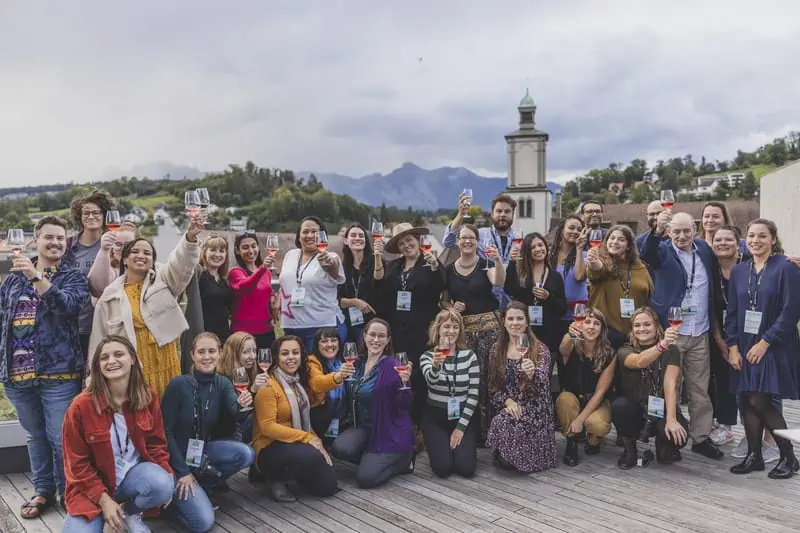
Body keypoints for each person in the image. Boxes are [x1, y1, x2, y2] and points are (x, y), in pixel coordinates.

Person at [0, 216, 89, 519]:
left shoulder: (73, 277)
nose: (55, 243)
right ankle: (43, 490)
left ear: (66, 243)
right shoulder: (12, 279)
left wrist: (37, 276)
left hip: (59, 374)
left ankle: (69, 491)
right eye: (49, 237)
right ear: (35, 240)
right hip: (17, 375)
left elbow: (70, 307)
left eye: (61, 238)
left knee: (59, 437)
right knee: (35, 436)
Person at [62, 336, 173, 533]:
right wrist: (104, 500)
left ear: (132, 359)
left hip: (130, 478)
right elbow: (76, 465)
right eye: (104, 358)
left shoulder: (147, 397)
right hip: (91, 490)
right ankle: (108, 515)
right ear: (98, 366)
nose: (111, 361)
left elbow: (157, 445)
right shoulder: (80, 406)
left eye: (118, 354)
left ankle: (128, 514)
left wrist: (168, 476)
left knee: (162, 483)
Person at [89, 214, 203, 397]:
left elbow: (181, 265)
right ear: (125, 259)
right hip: (133, 370)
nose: (141, 255)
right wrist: (93, 382)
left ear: (152, 261)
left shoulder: (164, 280)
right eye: (135, 252)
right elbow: (98, 342)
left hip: (167, 364)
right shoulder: (109, 297)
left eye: (147, 253)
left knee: (168, 416)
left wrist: (189, 238)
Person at [641, 210, 724, 459]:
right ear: (669, 232)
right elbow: (646, 253)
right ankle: (669, 439)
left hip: (700, 330)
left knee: (700, 389)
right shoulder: (662, 249)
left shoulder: (703, 249)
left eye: (686, 230)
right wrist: (656, 231)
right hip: (672, 332)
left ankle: (701, 437)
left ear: (695, 229)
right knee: (671, 388)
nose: (681, 235)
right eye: (676, 231)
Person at [726, 219, 800, 479]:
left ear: (772, 239)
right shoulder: (739, 270)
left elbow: (791, 312)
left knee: (760, 399)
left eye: (762, 236)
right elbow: (732, 313)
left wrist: (765, 341)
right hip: (745, 344)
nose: (756, 240)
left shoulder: (786, 268)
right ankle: (755, 455)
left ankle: (789, 457)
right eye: (751, 235)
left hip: (773, 344)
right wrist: (732, 346)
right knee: (746, 397)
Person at [160, 333, 256, 532]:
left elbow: (236, 412)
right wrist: (183, 472)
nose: (207, 357)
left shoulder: (222, 383)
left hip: (201, 453)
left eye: (212, 351)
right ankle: (173, 501)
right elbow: (165, 432)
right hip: (175, 459)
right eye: (201, 352)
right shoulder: (178, 384)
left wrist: (244, 404)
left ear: (220, 354)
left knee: (245, 453)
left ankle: (204, 485)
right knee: (203, 523)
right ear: (192, 355)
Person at [252, 335, 351, 502]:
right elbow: (267, 427)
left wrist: (317, 441)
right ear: (276, 357)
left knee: (327, 487)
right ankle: (275, 477)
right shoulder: (267, 385)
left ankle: (297, 472)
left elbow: (304, 418)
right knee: (311, 457)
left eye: (295, 352)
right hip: (269, 446)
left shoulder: (296, 382)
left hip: (293, 442)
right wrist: (308, 438)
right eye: (285, 353)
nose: (291, 357)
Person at [331, 319, 415, 488]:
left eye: (381, 336)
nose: (376, 340)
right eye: (372, 335)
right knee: (340, 448)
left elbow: (405, 405)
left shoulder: (394, 366)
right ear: (364, 336)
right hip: (365, 427)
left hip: (388, 430)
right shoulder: (357, 363)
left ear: (388, 340)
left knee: (366, 479)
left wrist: (405, 384)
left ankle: (405, 460)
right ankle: (372, 458)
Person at [374, 222, 445, 425]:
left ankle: (419, 425)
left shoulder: (430, 262)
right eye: (401, 243)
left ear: (418, 240)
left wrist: (433, 265)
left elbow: (442, 284)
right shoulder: (394, 267)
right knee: (399, 373)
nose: (406, 245)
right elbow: (379, 286)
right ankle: (401, 419)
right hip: (398, 331)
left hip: (422, 330)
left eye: (409, 240)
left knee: (420, 375)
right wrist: (377, 256)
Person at [442, 224, 504, 442]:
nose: (467, 241)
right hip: (464, 332)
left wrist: (497, 260)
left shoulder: (486, 262)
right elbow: (442, 299)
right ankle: (472, 431)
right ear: (457, 241)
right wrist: (450, 307)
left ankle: (493, 431)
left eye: (471, 238)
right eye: (463, 237)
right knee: (469, 380)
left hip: (490, 330)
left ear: (477, 241)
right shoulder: (449, 269)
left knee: (491, 379)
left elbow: (498, 281)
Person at [612, 307, 689, 468]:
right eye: (637, 325)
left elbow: (670, 385)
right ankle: (629, 450)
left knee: (679, 434)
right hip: (635, 409)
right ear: (632, 329)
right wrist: (663, 345)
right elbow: (639, 361)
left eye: (647, 324)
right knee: (620, 407)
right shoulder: (625, 350)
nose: (642, 329)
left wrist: (672, 419)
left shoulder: (672, 351)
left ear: (656, 326)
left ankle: (664, 446)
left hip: (660, 407)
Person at [485, 301, 556, 473]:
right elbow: (493, 388)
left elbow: (544, 387)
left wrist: (532, 375)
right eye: (510, 319)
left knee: (510, 461)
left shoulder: (539, 349)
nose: (515, 323)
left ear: (527, 322)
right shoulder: (496, 350)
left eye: (519, 319)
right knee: (502, 423)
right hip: (510, 408)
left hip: (534, 409)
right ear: (504, 322)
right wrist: (508, 402)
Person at [419, 309, 480, 478]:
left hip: (462, 416)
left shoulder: (469, 356)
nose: (451, 331)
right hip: (436, 418)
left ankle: (457, 447)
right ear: (438, 329)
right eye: (446, 326)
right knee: (443, 469)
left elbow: (474, 394)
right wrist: (436, 366)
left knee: (466, 468)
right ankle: (440, 446)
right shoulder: (427, 356)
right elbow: (431, 382)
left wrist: (460, 428)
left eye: (455, 327)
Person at [556, 307, 616, 466]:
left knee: (599, 425)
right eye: (587, 322)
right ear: (580, 324)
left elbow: (601, 392)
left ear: (602, 328)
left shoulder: (609, 353)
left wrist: (580, 420)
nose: (591, 327)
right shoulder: (571, 344)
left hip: (596, 400)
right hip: (573, 396)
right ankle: (571, 442)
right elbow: (562, 348)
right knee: (564, 400)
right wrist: (570, 334)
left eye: (596, 323)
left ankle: (594, 440)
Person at [279, 217, 346, 352]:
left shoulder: (331, 257)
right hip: (291, 326)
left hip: (320, 328)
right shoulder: (290, 255)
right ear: (299, 236)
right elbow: (286, 284)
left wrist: (330, 267)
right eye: (305, 232)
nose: (309, 235)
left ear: (322, 236)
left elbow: (335, 272)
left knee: (317, 370)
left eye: (314, 232)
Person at [63, 189, 115, 361]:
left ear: (105, 215)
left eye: (96, 212)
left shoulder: (113, 246)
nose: (91, 216)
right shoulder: (68, 246)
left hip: (101, 323)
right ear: (79, 217)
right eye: (86, 213)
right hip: (70, 323)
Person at [442, 193, 519, 310]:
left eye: (507, 211)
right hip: (486, 306)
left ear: (513, 214)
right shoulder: (480, 235)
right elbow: (449, 241)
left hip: (512, 307)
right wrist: (461, 214)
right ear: (492, 213)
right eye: (499, 211)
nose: (503, 214)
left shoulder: (519, 242)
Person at [708, 225, 745, 448]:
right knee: (723, 379)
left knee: (749, 381)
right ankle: (725, 425)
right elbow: (710, 308)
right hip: (718, 332)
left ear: (738, 243)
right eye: (718, 240)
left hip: (747, 333)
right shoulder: (710, 270)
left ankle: (757, 429)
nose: (722, 243)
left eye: (728, 239)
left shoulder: (749, 267)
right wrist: (720, 340)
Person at [586, 225, 653, 349]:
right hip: (606, 335)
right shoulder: (603, 262)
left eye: (621, 239)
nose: (615, 242)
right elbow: (597, 269)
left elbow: (650, 295)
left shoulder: (640, 267)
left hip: (636, 334)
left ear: (628, 246)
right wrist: (593, 260)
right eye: (612, 238)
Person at [505, 232, 568, 355]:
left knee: (545, 372)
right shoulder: (521, 273)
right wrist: (512, 263)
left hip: (549, 335)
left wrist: (548, 297)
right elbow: (509, 289)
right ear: (527, 251)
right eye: (533, 247)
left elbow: (563, 308)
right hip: (525, 333)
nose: (538, 249)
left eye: (540, 245)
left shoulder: (555, 276)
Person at [215, 331, 267, 444]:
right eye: (246, 352)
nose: (252, 356)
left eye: (254, 351)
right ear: (234, 353)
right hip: (226, 434)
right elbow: (236, 415)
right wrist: (253, 390)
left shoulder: (250, 372)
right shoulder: (222, 379)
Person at [229, 231, 276, 350]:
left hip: (266, 332)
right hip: (243, 334)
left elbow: (267, 292)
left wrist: (274, 297)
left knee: (266, 366)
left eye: (253, 246)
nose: (251, 251)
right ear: (237, 251)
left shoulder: (266, 272)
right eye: (245, 247)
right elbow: (246, 287)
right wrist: (262, 268)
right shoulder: (235, 272)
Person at [548, 215, 588, 334]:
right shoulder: (549, 255)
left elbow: (579, 276)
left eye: (579, 229)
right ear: (561, 230)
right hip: (553, 312)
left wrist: (579, 249)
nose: (575, 232)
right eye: (571, 228)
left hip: (576, 316)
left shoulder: (584, 255)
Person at [339, 223, 378, 343]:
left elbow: (381, 285)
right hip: (349, 325)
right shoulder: (342, 267)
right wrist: (355, 302)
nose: (357, 238)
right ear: (346, 240)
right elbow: (337, 300)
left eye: (361, 236)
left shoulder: (376, 263)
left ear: (366, 241)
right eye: (353, 235)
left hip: (373, 326)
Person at [309, 328, 348, 441]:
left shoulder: (346, 361)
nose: (330, 345)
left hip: (345, 419)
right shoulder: (312, 362)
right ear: (317, 345)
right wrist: (338, 376)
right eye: (324, 341)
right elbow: (318, 384)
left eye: (333, 340)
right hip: (319, 418)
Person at [87, 221, 139, 296]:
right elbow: (97, 289)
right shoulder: (108, 269)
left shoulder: (144, 267)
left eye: (128, 244)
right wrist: (104, 250)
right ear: (112, 248)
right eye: (118, 244)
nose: (123, 249)